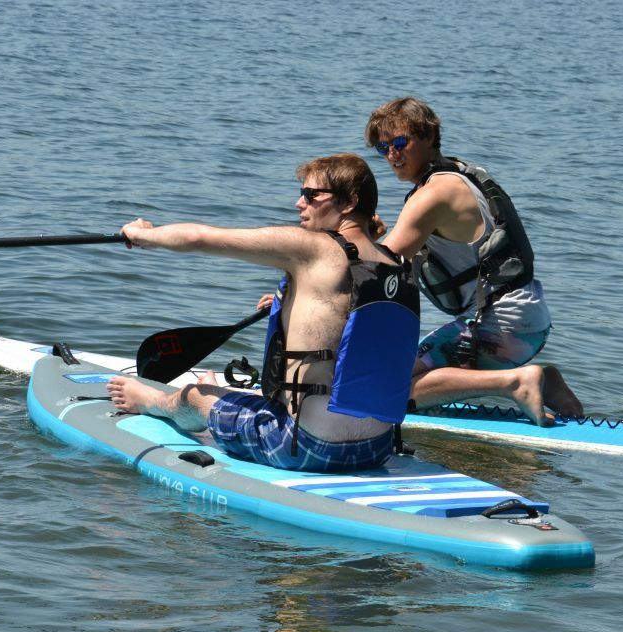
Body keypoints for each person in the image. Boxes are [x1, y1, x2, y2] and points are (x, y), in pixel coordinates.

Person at [107, 154, 421, 472]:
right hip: (376, 448)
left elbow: (199, 238)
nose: (300, 203)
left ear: (350, 201)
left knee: (195, 396)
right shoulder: (397, 264)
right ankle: (217, 390)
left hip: (305, 448)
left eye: (312, 195)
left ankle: (152, 401)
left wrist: (143, 234)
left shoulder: (314, 248)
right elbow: (354, 330)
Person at [364, 97, 582, 426]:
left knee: (389, 388)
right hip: (526, 319)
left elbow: (379, 265)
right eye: (383, 148)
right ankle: (544, 380)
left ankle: (515, 381)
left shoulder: (434, 193)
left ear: (429, 136)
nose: (392, 155)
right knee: (402, 369)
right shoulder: (457, 173)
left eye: (400, 143)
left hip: (500, 326)